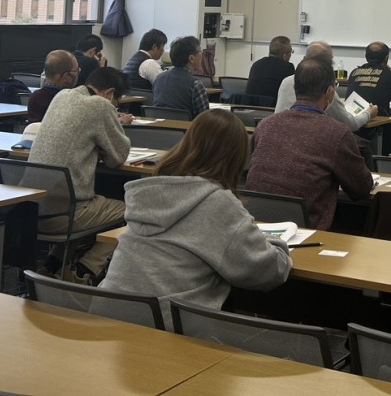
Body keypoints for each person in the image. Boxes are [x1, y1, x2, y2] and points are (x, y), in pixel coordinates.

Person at [99, 110, 291, 328]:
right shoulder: (217, 203)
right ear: (236, 158)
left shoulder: (149, 191)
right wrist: (278, 246)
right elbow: (267, 271)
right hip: (164, 326)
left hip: (108, 315)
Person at [26, 66, 133, 283]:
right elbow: (118, 157)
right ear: (110, 93)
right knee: (134, 212)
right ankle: (86, 270)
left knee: (87, 203)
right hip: (65, 214)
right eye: (117, 103)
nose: (115, 108)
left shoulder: (62, 96)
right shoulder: (101, 105)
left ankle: (52, 265)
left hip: (30, 209)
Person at [246, 58, 373, 229]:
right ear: (330, 92)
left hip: (256, 224)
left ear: (295, 88)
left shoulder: (265, 125)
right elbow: (362, 188)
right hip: (307, 230)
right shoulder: (337, 132)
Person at [275, 41, 376, 131]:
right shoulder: (326, 89)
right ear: (328, 65)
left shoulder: (286, 82)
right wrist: (369, 113)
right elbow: (350, 124)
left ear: (304, 59)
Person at [348, 42, 391, 147]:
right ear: (386, 58)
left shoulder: (354, 73)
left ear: (366, 57)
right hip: (380, 130)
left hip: (354, 131)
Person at [150, 35, 210, 119]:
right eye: (200, 51)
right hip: (187, 127)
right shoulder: (195, 84)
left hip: (159, 126)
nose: (202, 54)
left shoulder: (159, 78)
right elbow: (204, 118)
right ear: (191, 58)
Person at [26, 49, 79, 124]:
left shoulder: (35, 97)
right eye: (76, 71)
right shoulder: (71, 100)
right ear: (66, 76)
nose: (78, 74)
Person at [244, 36, 295, 107]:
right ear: (284, 56)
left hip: (249, 107)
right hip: (271, 109)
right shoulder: (288, 67)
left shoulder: (256, 64)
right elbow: (291, 92)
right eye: (291, 52)